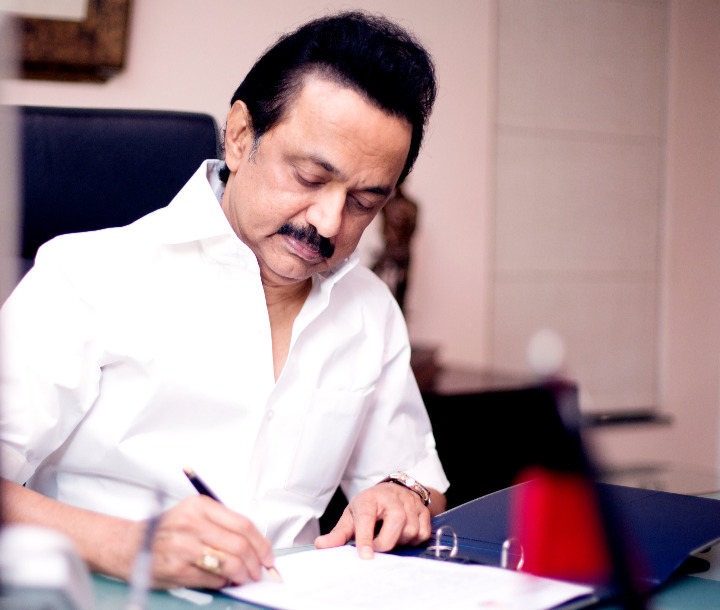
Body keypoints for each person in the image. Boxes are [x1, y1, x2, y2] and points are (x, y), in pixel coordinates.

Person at [0, 11, 449, 590]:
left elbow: (419, 481)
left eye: (364, 201)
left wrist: (402, 495)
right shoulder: (87, 276)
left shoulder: (369, 307)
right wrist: (126, 545)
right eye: (310, 178)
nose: (329, 222)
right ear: (239, 137)